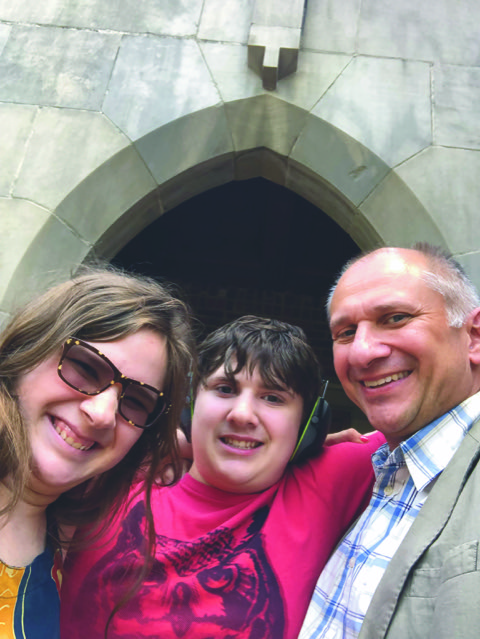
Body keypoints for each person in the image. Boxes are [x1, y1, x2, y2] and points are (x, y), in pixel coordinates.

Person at [60, 315, 384, 639]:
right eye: (225, 389)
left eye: (273, 397)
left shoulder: (328, 480)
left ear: (308, 424)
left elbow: (427, 413)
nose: (242, 414)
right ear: (190, 402)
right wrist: (163, 443)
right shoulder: (113, 469)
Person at [0, 266, 194, 639]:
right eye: (85, 367)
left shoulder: (65, 540)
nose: (102, 414)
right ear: (27, 350)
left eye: (136, 402)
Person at [300, 243, 480, 639]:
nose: (362, 352)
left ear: (474, 337)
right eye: (345, 332)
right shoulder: (362, 471)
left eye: (395, 318)